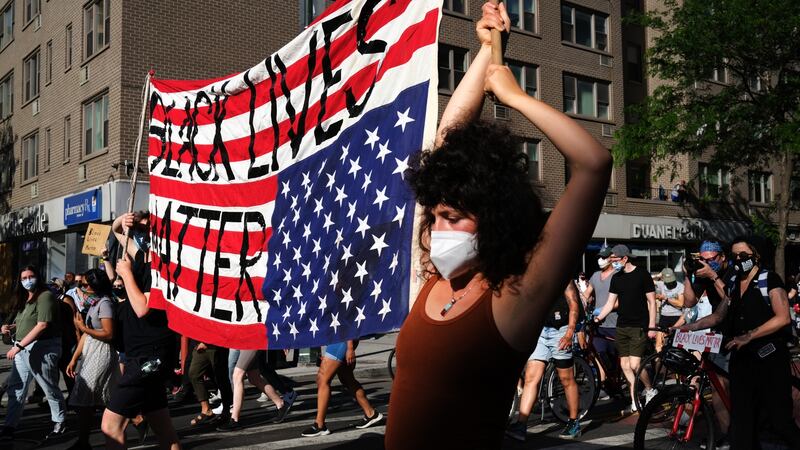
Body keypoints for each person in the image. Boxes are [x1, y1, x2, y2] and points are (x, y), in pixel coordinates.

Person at [383, 3, 612, 447]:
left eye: (451, 217)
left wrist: (515, 97)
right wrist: (488, 49)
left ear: (495, 217)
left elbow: (594, 164)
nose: (436, 230)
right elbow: (448, 140)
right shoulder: (437, 278)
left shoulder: (516, 294)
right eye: (434, 216)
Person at [679, 236, 800, 449]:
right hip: (742, 362)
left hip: (769, 359)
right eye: (735, 256)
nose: (739, 259)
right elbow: (718, 316)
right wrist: (687, 327)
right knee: (743, 424)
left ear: (756, 256)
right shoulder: (733, 284)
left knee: (780, 422)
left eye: (744, 255)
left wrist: (750, 336)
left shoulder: (768, 279)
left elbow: (782, 317)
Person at [101, 212, 180, 450]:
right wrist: (121, 221)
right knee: (164, 430)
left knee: (111, 425)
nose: (139, 233)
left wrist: (125, 274)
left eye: (145, 229)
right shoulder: (144, 258)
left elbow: (143, 308)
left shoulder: (161, 266)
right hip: (144, 354)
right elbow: (116, 232)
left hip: (150, 356)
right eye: (138, 229)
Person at [506, 282, 583, 441]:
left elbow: (574, 304)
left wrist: (570, 333)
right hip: (541, 331)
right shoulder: (540, 275)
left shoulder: (564, 278)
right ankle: (521, 424)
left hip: (561, 330)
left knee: (566, 378)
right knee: (530, 378)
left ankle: (574, 422)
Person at [0, 266, 67, 440]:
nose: (27, 280)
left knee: (48, 386)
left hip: (42, 347)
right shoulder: (26, 298)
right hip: (23, 348)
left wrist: (18, 347)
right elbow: (27, 321)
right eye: (24, 278)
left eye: (31, 276)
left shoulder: (45, 296)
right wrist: (10, 327)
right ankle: (9, 425)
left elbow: (42, 324)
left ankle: (59, 422)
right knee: (17, 388)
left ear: (38, 277)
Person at [680, 239, 731, 447]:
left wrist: (714, 276)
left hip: (743, 331)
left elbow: (731, 298)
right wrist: (687, 276)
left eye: (710, 260)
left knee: (736, 386)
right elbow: (689, 302)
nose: (706, 263)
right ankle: (728, 434)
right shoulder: (705, 273)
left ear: (722, 257)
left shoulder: (733, 272)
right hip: (720, 331)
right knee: (718, 387)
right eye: (702, 260)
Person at [595, 244, 658, 412]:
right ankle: (635, 400)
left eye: (615, 259)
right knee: (624, 366)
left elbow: (652, 302)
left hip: (639, 325)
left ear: (625, 258)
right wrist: (598, 317)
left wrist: (652, 326)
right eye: (611, 259)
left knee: (635, 364)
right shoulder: (616, 278)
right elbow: (610, 303)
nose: (612, 262)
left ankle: (650, 389)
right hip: (621, 326)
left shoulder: (642, 274)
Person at [65, 268, 119, 450]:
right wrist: (74, 358)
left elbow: (108, 333)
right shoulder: (93, 304)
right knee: (90, 399)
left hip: (102, 351)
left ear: (95, 284)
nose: (82, 287)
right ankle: (83, 441)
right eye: (81, 284)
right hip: (90, 351)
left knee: (86, 397)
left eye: (85, 284)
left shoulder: (105, 303)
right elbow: (87, 335)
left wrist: (82, 327)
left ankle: (135, 418)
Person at [302, 340, 383, 437]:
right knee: (347, 379)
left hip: (342, 340)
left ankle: (320, 425)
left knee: (322, 380)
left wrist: (350, 348)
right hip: (340, 340)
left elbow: (348, 325)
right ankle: (371, 414)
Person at [219, 349, 297, 431]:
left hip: (251, 341)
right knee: (254, 377)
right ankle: (280, 404)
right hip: (239, 341)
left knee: (237, 375)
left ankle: (234, 419)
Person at [581, 246, 618, 399]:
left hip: (615, 323)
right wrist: (581, 301)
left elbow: (620, 301)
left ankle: (618, 383)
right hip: (598, 324)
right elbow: (587, 294)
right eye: (599, 257)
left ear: (611, 258)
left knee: (615, 357)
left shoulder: (617, 275)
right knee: (598, 354)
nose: (600, 260)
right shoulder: (596, 276)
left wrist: (604, 309)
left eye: (604, 257)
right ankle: (602, 384)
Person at [187, 340, 232, 426]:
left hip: (217, 343)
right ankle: (206, 410)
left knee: (221, 377)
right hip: (199, 341)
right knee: (194, 374)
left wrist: (207, 342)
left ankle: (226, 412)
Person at [654, 268, 684, 352]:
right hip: (664, 317)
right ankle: (658, 360)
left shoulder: (680, 286)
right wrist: (658, 276)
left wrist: (666, 298)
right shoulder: (661, 284)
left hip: (677, 317)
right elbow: (646, 278)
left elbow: (680, 304)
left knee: (676, 344)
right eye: (668, 280)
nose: (670, 283)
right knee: (659, 343)